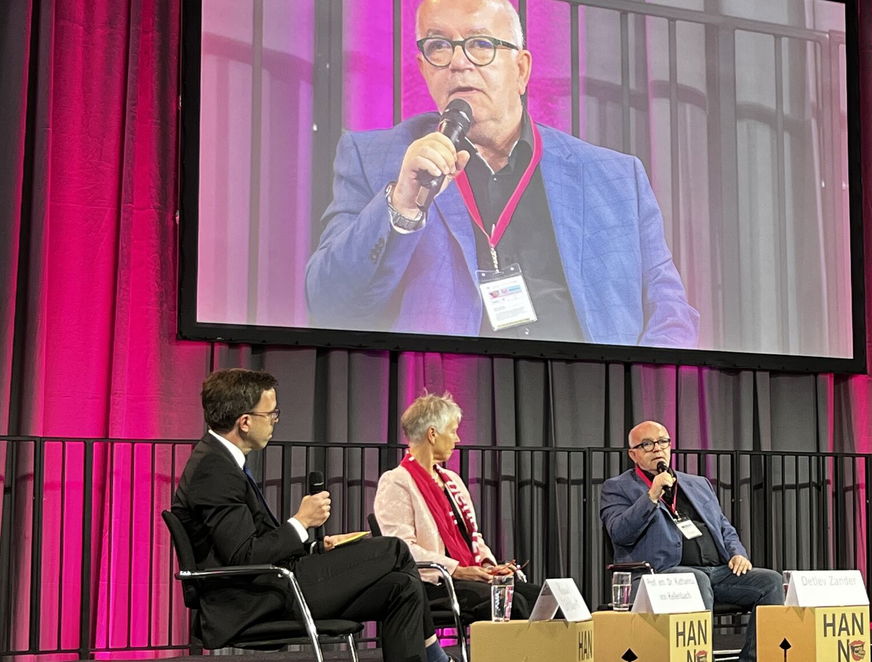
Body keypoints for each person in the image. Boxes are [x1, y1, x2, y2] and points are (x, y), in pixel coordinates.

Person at [306, 0, 698, 347]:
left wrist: (639, 389)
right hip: (447, 392)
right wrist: (402, 204)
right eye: (439, 46)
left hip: (588, 385)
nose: (458, 62)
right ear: (424, 69)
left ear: (521, 69)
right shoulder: (375, 159)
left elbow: (670, 310)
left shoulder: (614, 177)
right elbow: (329, 305)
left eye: (480, 43)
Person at [170, 369, 452, 662]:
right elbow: (244, 556)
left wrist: (316, 547)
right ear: (245, 422)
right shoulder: (214, 469)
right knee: (394, 549)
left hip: (273, 583)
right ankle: (436, 656)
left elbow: (252, 543)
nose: (275, 421)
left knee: (403, 587)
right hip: (256, 599)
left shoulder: (219, 460)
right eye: (271, 414)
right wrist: (301, 521)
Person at [599, 421, 783, 662]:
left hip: (716, 571)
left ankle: (753, 659)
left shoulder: (698, 483)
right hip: (658, 574)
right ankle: (699, 657)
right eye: (647, 444)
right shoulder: (617, 487)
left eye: (662, 441)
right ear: (633, 454)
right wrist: (651, 496)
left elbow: (723, 526)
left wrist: (737, 553)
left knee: (770, 581)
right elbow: (620, 532)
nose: (657, 448)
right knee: (695, 580)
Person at [374, 393, 537, 620]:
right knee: (512, 603)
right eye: (452, 431)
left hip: (467, 576)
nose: (457, 439)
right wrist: (457, 570)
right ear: (433, 434)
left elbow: (474, 537)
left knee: (540, 597)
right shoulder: (396, 481)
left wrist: (488, 565)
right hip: (432, 582)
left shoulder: (452, 480)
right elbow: (403, 549)